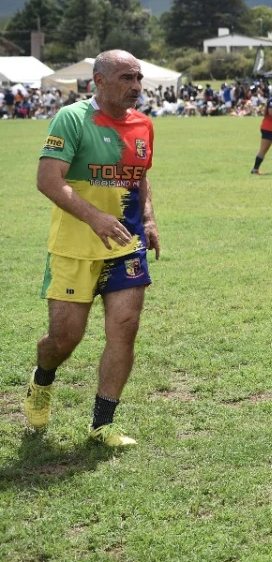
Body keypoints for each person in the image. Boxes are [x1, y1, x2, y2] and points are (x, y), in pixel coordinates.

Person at [23, 50, 160, 447]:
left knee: (124, 329)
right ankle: (42, 379)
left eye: (138, 78)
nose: (135, 86)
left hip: (126, 245)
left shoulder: (144, 124)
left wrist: (149, 220)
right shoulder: (72, 118)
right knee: (64, 340)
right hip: (74, 248)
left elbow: (140, 178)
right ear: (97, 82)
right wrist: (94, 217)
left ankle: (102, 424)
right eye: (125, 78)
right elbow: (49, 180)